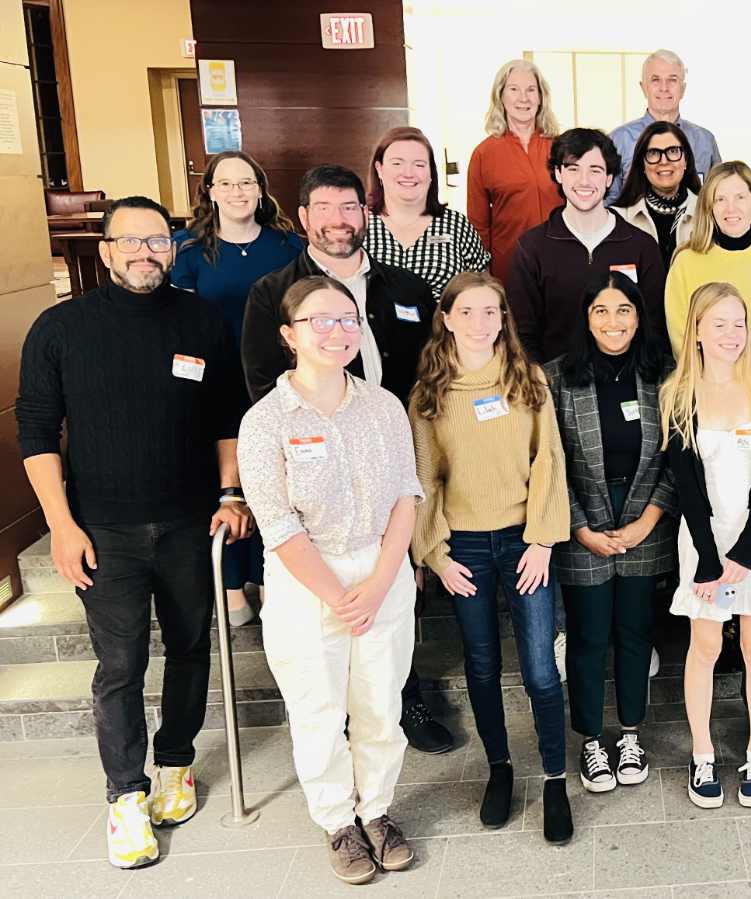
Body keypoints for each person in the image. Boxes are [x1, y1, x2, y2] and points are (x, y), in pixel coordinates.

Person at [17, 196, 250, 869]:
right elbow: (36, 430)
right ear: (107, 249)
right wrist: (60, 525)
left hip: (188, 520)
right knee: (120, 665)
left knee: (189, 647)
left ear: (172, 248)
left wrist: (231, 492)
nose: (147, 251)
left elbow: (227, 416)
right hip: (102, 529)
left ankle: (175, 759)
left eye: (158, 240)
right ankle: (125, 793)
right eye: (132, 241)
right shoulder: (60, 327)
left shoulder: (200, 319)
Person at [243, 164, 453, 755]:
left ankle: (404, 700)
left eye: (351, 207)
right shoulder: (272, 292)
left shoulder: (404, 288)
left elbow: (429, 372)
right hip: (313, 466)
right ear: (304, 218)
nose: (340, 219)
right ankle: (334, 737)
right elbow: (263, 384)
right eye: (326, 208)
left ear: (368, 214)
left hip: (395, 452)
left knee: (394, 593)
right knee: (332, 631)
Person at [237, 276, 420, 884]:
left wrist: (379, 582)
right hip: (305, 581)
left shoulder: (384, 405)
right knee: (317, 708)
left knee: (379, 703)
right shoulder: (266, 421)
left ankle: (378, 811)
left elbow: (406, 496)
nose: (338, 331)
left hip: (383, 569)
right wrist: (339, 596)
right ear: (290, 335)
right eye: (321, 321)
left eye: (348, 319)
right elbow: (277, 523)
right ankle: (338, 821)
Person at [410, 271, 574, 843]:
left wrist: (543, 539)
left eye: (492, 312)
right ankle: (499, 768)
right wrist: (434, 552)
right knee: (481, 665)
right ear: (448, 319)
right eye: (469, 312)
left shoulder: (527, 380)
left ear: (504, 318)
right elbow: (426, 478)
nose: (481, 323)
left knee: (538, 667)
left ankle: (555, 777)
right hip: (466, 548)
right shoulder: (430, 393)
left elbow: (548, 459)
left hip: (524, 538)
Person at [663, 281, 751, 810]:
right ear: (696, 330)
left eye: (738, 324)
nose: (731, 334)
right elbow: (686, 482)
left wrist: (744, 550)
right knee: (705, 647)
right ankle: (702, 755)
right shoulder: (679, 393)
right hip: (703, 541)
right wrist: (710, 555)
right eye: (718, 324)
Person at [545, 272, 677, 793]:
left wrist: (648, 519)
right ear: (586, 316)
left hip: (646, 520)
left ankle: (629, 735)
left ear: (639, 316)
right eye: (601, 310)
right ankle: (592, 741)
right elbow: (550, 463)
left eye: (624, 309)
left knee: (633, 634)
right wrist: (579, 528)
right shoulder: (556, 377)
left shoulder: (662, 374)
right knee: (588, 638)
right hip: (583, 527)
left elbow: (679, 458)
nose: (613, 321)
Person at [173, 150, 303, 627]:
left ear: (261, 188)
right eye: (225, 184)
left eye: (246, 182)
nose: (237, 192)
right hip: (216, 382)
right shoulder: (188, 249)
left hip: (274, 384)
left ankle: (272, 579)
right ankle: (230, 589)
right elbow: (178, 323)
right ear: (209, 191)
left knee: (276, 484)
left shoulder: (287, 246)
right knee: (228, 487)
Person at [507, 128, 665, 364]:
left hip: (627, 383)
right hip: (557, 387)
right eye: (573, 169)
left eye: (595, 170)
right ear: (558, 174)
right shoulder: (531, 248)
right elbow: (523, 335)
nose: (584, 181)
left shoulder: (641, 246)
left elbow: (654, 327)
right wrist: (543, 387)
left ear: (609, 178)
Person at [664, 161, 751, 358]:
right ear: (709, 207)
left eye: (740, 197)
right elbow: (680, 338)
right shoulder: (686, 261)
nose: (731, 208)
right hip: (705, 381)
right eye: (720, 199)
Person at [365, 125, 490, 297]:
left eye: (419, 164)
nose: (408, 173)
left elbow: (482, 289)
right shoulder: (360, 223)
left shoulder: (456, 225)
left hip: (441, 323)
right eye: (397, 163)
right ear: (379, 169)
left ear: (431, 172)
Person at [468, 59, 563, 281]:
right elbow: (478, 225)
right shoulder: (484, 153)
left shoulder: (561, 147)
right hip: (509, 268)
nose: (523, 98)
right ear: (500, 96)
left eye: (531, 90)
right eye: (514, 89)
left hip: (561, 261)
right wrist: (484, 277)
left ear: (541, 97)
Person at [607, 49, 722, 204]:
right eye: (655, 80)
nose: (664, 88)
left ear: (683, 89)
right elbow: (609, 203)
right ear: (643, 88)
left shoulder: (705, 140)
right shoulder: (618, 140)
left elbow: (716, 198)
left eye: (672, 80)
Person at [611, 120, 701, 275]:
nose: (664, 161)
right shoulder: (618, 218)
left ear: (685, 160)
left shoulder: (707, 213)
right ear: (642, 165)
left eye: (673, 151)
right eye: (653, 153)